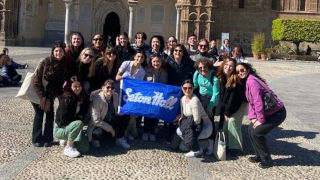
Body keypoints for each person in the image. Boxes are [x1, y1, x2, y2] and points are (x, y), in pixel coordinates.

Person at [236, 63, 286, 168]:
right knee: (250, 129)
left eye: (242, 70)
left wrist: (261, 120)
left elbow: (258, 103)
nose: (240, 73)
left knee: (257, 133)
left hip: (277, 113)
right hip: (269, 112)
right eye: (237, 72)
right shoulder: (249, 80)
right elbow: (251, 102)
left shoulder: (251, 81)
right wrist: (253, 118)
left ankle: (267, 159)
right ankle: (259, 155)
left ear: (247, 69)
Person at [32, 41, 68, 147]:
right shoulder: (45, 62)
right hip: (38, 92)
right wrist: (42, 98)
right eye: (56, 51)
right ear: (53, 52)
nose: (58, 53)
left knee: (50, 115)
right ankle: (36, 139)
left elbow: (57, 85)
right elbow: (36, 81)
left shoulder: (63, 66)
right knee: (39, 114)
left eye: (61, 51)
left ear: (64, 52)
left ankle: (48, 139)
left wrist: (48, 99)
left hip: (50, 95)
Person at [216, 57, 246, 157]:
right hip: (229, 104)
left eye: (231, 66)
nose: (228, 67)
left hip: (239, 103)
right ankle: (227, 144)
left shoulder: (235, 80)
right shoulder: (221, 76)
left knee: (232, 121)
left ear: (234, 69)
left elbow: (233, 100)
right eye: (226, 65)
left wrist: (227, 113)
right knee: (224, 124)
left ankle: (236, 147)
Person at [88, 79, 130, 149]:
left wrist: (119, 113)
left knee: (125, 116)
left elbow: (116, 110)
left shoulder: (115, 96)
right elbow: (95, 121)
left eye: (112, 88)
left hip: (110, 119)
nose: (110, 89)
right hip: (99, 124)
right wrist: (110, 129)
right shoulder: (97, 99)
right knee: (98, 133)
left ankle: (119, 139)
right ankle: (96, 138)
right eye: (108, 87)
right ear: (103, 88)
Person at [55, 76, 90, 158]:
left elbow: (83, 114)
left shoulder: (83, 98)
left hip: (75, 128)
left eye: (79, 86)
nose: (77, 88)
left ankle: (70, 140)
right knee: (79, 123)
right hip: (61, 128)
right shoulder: (66, 99)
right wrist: (76, 122)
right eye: (75, 86)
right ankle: (68, 147)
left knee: (85, 149)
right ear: (70, 87)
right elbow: (63, 120)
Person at [176, 80, 213, 158]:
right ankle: (196, 143)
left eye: (190, 88)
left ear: (193, 89)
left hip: (203, 126)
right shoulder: (182, 99)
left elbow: (197, 121)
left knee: (184, 134)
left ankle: (200, 147)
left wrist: (189, 134)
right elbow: (183, 114)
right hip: (190, 123)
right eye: (185, 88)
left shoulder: (194, 101)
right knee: (180, 133)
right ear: (182, 88)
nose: (187, 90)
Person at [116, 51, 146, 140]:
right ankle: (120, 133)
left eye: (142, 57)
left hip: (131, 95)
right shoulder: (126, 63)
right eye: (138, 56)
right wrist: (126, 79)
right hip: (120, 91)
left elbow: (138, 86)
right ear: (134, 57)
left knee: (130, 114)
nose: (139, 58)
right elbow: (117, 77)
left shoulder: (142, 71)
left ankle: (128, 132)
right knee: (120, 113)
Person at [193, 57, 220, 155]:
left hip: (211, 99)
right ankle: (200, 142)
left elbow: (216, 94)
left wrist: (210, 107)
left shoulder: (214, 78)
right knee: (198, 120)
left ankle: (211, 143)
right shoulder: (197, 74)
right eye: (200, 68)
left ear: (208, 67)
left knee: (209, 120)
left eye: (205, 67)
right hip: (200, 97)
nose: (203, 70)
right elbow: (195, 86)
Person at [143, 54, 168, 141]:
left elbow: (165, 85)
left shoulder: (164, 73)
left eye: (158, 61)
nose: (156, 63)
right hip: (148, 96)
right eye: (154, 61)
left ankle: (153, 131)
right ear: (151, 62)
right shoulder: (147, 71)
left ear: (161, 62)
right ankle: (146, 131)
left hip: (158, 97)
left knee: (156, 114)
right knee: (147, 115)